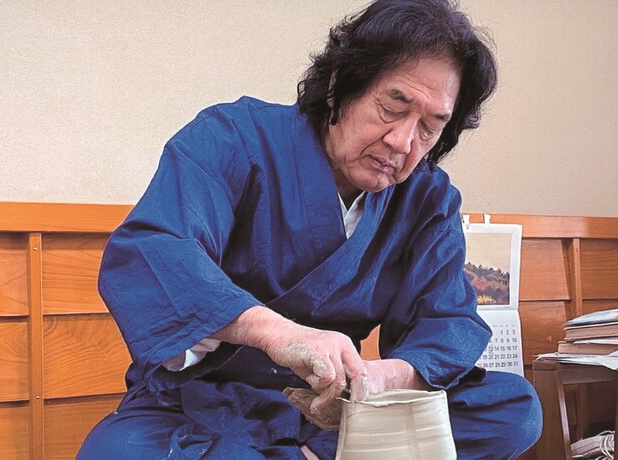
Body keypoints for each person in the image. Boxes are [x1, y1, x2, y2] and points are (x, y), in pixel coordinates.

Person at [78, 0, 543, 458]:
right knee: (117, 452)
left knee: (512, 409)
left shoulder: (427, 197)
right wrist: (276, 334)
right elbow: (157, 252)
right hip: (203, 401)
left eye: (430, 126)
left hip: (337, 413)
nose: (403, 142)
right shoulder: (231, 137)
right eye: (393, 106)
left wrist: (377, 379)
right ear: (340, 85)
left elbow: (446, 320)